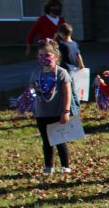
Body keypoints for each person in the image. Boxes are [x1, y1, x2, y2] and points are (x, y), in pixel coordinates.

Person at [28, 39, 77, 173]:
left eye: (47, 54)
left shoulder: (61, 73)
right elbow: (31, 92)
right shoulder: (35, 74)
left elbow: (68, 94)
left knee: (60, 139)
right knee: (46, 141)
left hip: (57, 112)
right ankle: (49, 165)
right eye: (41, 55)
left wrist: (65, 111)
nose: (45, 58)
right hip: (42, 113)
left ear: (55, 55)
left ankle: (65, 165)